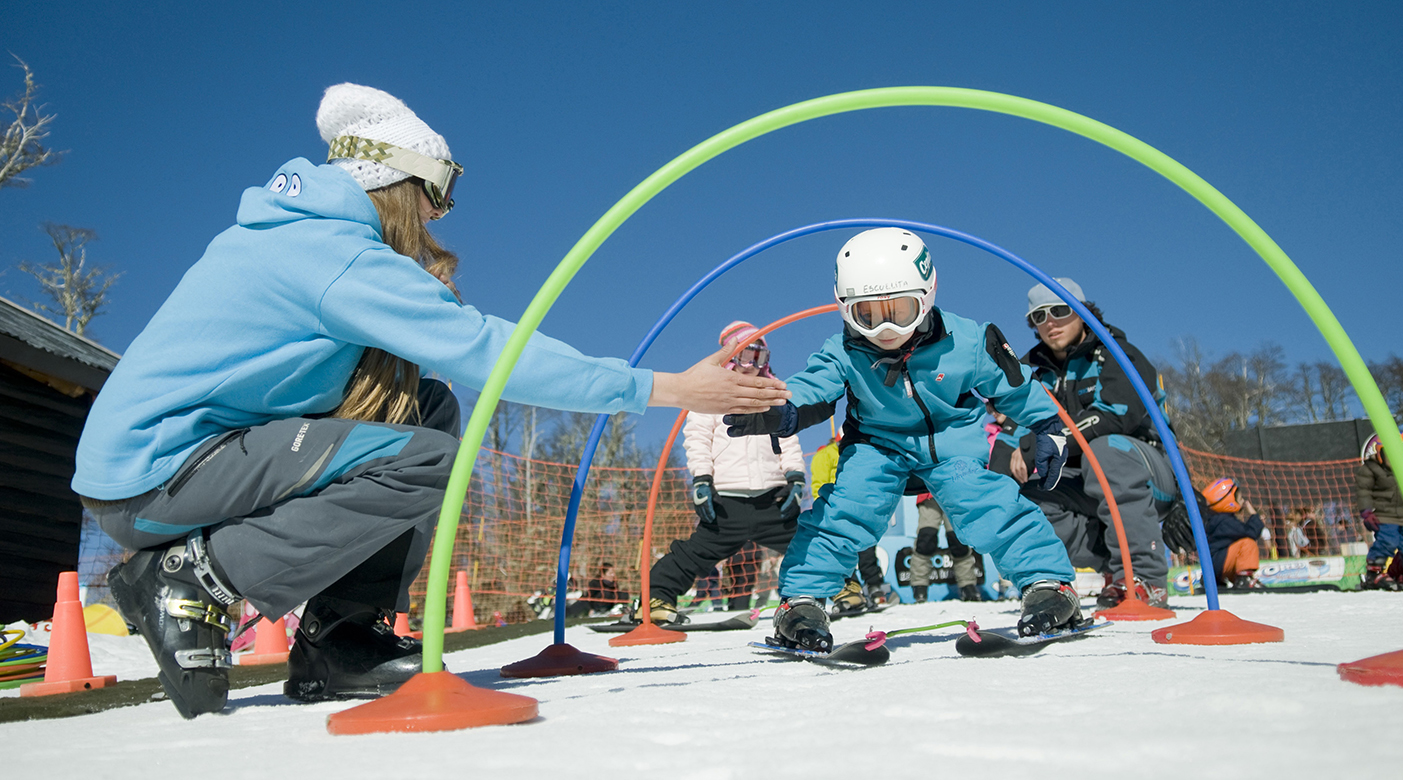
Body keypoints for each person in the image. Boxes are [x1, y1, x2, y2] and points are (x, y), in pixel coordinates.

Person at [74, 84, 789, 718]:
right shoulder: (332, 254)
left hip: (189, 465)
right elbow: (488, 350)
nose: (439, 213)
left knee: (427, 409)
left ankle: (340, 637)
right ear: (392, 180)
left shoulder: (295, 236)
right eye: (437, 191)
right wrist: (667, 389)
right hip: (158, 477)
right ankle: (196, 577)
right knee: (424, 458)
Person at [724, 228, 1079, 652]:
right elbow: (813, 386)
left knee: (986, 501)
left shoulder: (968, 340)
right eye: (867, 316)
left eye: (901, 310)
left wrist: (1047, 424)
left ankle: (1047, 584)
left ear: (926, 296)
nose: (886, 329)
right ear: (845, 309)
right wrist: (782, 408)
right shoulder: (844, 351)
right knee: (845, 509)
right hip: (878, 446)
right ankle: (801, 601)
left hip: (950, 442)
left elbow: (1013, 385)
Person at [1010, 278, 1176, 609]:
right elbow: (1013, 432)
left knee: (1104, 450)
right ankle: (1116, 567)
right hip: (1087, 482)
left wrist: (1039, 445)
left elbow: (1114, 417)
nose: (1050, 322)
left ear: (1083, 312)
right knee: (1024, 499)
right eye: (1039, 316)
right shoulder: (1035, 373)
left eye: (1060, 310)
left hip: (1148, 472)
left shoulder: (1117, 354)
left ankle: (1143, 577)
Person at [636, 322, 806, 624]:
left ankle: (845, 588)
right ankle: (655, 597)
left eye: (759, 357)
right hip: (728, 501)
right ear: (730, 358)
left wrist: (795, 477)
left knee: (809, 545)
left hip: (772, 500)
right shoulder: (711, 395)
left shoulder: (772, 394)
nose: (752, 365)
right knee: (695, 552)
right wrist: (702, 479)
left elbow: (788, 439)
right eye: (745, 356)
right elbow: (698, 438)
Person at [1193, 479, 1267, 589]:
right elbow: (1251, 532)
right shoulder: (1225, 521)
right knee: (1247, 543)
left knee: (1238, 546)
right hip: (1218, 563)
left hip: (1214, 564)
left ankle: (1219, 580)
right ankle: (1244, 579)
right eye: (1240, 499)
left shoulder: (1214, 520)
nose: (1243, 501)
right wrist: (1254, 515)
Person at [908, 492, 981, 602]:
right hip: (927, 493)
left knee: (958, 541)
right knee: (926, 539)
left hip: (954, 493)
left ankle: (967, 585)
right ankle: (919, 585)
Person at [1356, 433, 1403, 590]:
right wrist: (1366, 512)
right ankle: (1373, 573)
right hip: (1384, 515)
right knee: (1389, 540)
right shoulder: (1371, 469)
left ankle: (1397, 573)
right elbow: (1364, 491)